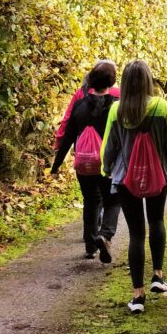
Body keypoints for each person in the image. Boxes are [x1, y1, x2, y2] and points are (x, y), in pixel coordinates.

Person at [101, 60, 167, 315]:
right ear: (149, 80)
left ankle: (137, 296)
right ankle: (158, 275)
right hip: (157, 175)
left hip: (126, 180)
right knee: (156, 221)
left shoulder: (117, 110)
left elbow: (109, 146)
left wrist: (106, 168)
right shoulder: (161, 107)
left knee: (136, 234)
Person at [51, 61, 120, 263]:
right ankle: (105, 234)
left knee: (91, 201)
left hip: (84, 163)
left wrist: (56, 165)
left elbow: (69, 136)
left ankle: (90, 245)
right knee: (113, 200)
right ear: (113, 81)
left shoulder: (81, 104)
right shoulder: (116, 105)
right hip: (107, 162)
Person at [54, 59, 120, 150]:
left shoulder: (81, 92)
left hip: (84, 147)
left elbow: (68, 117)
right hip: (109, 146)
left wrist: (59, 139)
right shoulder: (119, 94)